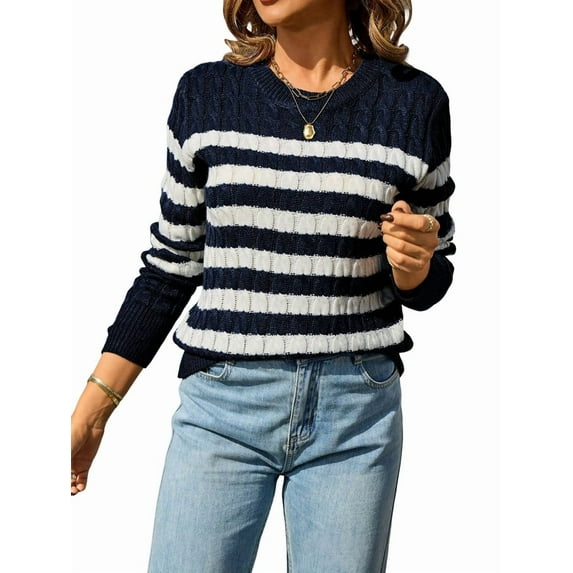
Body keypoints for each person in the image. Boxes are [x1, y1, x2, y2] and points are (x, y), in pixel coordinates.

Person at [71, 0, 455, 571]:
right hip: (222, 408)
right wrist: (94, 407)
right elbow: (173, 264)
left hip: (356, 413)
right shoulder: (207, 94)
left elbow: (434, 267)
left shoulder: (414, 102)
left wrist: (415, 267)